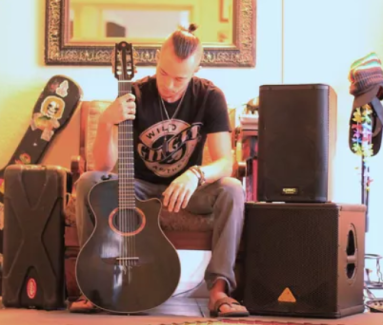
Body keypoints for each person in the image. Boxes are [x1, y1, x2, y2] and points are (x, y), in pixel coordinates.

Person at [70, 24, 249, 318]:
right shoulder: (135, 94)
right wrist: (106, 122)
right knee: (88, 182)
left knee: (232, 189)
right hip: (136, 187)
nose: (169, 85)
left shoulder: (209, 97)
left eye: (180, 78)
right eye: (163, 73)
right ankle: (91, 286)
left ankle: (219, 291)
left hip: (185, 191)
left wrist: (195, 175)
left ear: (196, 70)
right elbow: (101, 168)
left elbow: (225, 162)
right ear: (156, 61)